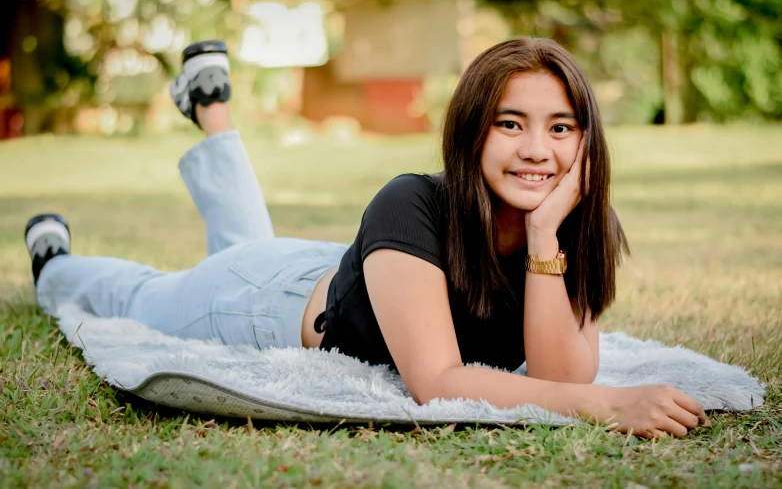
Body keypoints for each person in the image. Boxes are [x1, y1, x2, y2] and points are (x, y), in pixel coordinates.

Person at [25, 38, 707, 438]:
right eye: (510, 124)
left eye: (560, 127)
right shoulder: (410, 201)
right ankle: (55, 266)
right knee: (148, 295)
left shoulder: (564, 227)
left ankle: (212, 113)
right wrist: (607, 404)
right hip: (261, 305)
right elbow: (437, 385)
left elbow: (558, 372)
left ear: (587, 142)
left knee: (240, 240)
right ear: (471, 131)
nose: (537, 150)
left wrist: (541, 233)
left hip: (353, 274)